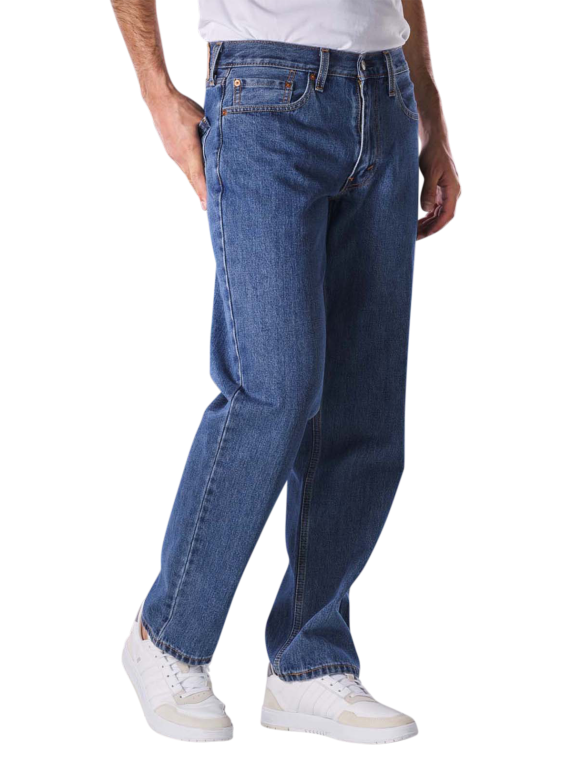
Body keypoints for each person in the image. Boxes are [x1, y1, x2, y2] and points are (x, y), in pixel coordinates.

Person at [112, 0, 461, 745]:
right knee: (274, 385)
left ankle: (309, 662)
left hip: (386, 94)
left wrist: (429, 108)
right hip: (264, 93)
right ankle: (167, 638)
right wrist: (157, 93)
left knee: (364, 409)